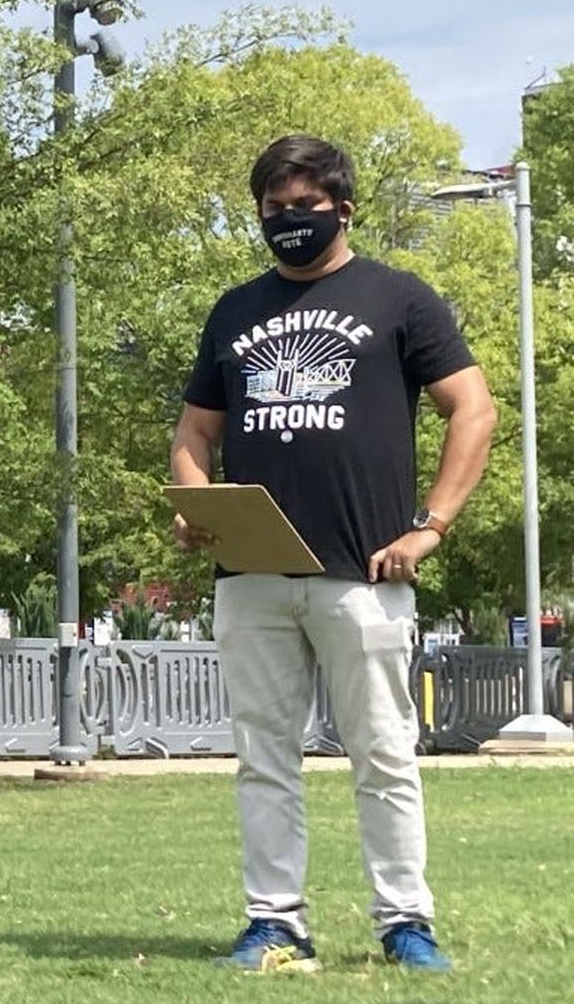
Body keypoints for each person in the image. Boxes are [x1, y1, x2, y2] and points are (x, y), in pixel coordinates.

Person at [170, 134, 496, 974]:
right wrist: (196, 503)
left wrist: (431, 525)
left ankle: (405, 924)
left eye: (305, 207)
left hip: (364, 574)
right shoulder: (233, 311)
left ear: (343, 210)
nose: (289, 222)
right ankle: (274, 924)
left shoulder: (400, 298)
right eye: (274, 210)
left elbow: (474, 410)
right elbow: (196, 433)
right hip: (251, 578)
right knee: (263, 759)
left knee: (383, 755)